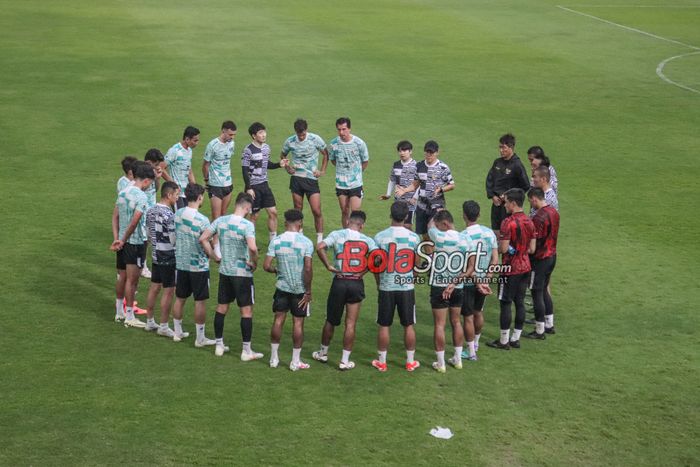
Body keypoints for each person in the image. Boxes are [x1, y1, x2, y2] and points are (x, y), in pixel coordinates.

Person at [200, 192, 264, 360]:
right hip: (242, 274)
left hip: (225, 271)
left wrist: (214, 256)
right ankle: (246, 351)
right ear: (247, 207)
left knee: (222, 308)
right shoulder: (247, 225)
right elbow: (252, 248)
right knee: (246, 311)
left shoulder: (221, 220)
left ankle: (219, 345)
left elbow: (203, 238)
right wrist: (254, 261)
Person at [313, 210, 377, 370]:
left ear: (348, 221)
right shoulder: (367, 240)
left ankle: (323, 353)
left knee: (330, 320)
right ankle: (344, 361)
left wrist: (328, 265)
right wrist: (364, 271)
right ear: (362, 225)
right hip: (356, 282)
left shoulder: (337, 234)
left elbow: (320, 247)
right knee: (350, 324)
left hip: (339, 281)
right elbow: (378, 257)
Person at [371, 202, 422, 372]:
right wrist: (411, 279)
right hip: (406, 287)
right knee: (408, 325)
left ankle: (382, 362)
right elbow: (418, 265)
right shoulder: (414, 238)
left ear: (390, 215)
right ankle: (410, 362)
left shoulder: (379, 237)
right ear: (406, 216)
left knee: (384, 325)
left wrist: (379, 282)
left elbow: (375, 264)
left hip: (387, 286)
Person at [263, 209, 314, 371]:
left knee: (278, 320)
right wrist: (308, 291)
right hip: (299, 290)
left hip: (282, 288)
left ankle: (273, 358)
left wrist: (275, 271)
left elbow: (266, 266)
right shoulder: (306, 242)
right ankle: (295, 361)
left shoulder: (276, 241)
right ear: (300, 224)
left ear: (285, 223)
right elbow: (307, 268)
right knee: (298, 323)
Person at [487, 188, 536, 350]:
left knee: (505, 303)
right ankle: (515, 338)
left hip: (510, 269)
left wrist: (507, 249)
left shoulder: (508, 222)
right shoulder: (529, 221)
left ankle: (503, 341)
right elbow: (532, 249)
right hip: (525, 266)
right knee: (520, 302)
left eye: (506, 202)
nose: (504, 205)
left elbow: (503, 248)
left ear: (513, 203)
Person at [427, 210, 474, 373]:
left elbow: (430, 225)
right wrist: (454, 283)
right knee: (456, 322)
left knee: (440, 325)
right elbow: (470, 268)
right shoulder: (466, 239)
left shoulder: (438, 237)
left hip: (439, 286)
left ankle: (441, 364)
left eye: (440, 226)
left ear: (445, 224)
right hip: (458, 287)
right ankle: (458, 359)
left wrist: (436, 212)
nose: (438, 228)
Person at [110, 162, 155, 328]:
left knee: (121, 276)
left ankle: (119, 312)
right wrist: (125, 239)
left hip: (121, 241)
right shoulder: (142, 197)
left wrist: (118, 238)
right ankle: (129, 315)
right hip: (135, 242)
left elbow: (115, 217)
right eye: (150, 182)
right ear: (145, 180)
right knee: (132, 280)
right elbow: (136, 220)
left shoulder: (123, 192)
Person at [172, 183, 215, 346]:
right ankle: (200, 338)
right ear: (199, 198)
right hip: (198, 266)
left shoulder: (177, 214)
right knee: (200, 301)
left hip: (181, 263)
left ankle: (177, 332)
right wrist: (214, 255)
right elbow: (206, 242)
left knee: (180, 298)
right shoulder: (202, 220)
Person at [458, 201, 498, 361]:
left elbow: (467, 265)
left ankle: (470, 352)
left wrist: (477, 281)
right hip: (483, 281)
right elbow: (495, 260)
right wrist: (486, 280)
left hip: (468, 282)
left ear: (464, 215)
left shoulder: (463, 237)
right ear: (479, 214)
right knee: (478, 312)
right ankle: (475, 343)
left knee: (467, 317)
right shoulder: (489, 233)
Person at [281, 118, 329, 244]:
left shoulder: (315, 139)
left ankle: (319, 239)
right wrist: (287, 167)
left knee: (316, 210)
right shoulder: (290, 141)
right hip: (296, 178)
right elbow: (283, 155)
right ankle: (299, 235)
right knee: (297, 209)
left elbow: (325, 154)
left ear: (306, 130)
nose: (301, 137)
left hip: (311, 179)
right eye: (299, 134)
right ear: (295, 131)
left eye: (303, 134)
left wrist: (322, 171)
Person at [396, 140, 454, 241]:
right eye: (427, 152)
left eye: (431, 152)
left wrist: (441, 189)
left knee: (432, 229)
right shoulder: (419, 166)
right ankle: (430, 256)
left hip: (436, 205)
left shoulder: (443, 167)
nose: (429, 155)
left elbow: (452, 185)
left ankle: (438, 252)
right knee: (424, 234)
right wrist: (405, 190)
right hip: (422, 205)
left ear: (437, 152)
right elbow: (415, 184)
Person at [143, 181, 180, 336]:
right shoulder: (170, 215)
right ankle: (164, 326)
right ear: (169, 195)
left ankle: (150, 321)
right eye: (176, 194)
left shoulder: (151, 211)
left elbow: (148, 232)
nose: (178, 198)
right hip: (168, 256)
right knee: (168, 291)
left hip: (156, 254)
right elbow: (173, 239)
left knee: (154, 287)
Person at [242, 122, 287, 245]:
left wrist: (279, 164)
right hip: (253, 187)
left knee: (273, 212)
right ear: (253, 135)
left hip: (264, 185)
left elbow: (266, 165)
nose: (263, 135)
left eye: (264, 132)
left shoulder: (266, 148)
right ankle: (249, 243)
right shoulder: (248, 150)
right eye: (260, 133)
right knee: (254, 216)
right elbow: (245, 170)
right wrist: (249, 188)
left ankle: (273, 242)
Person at [526, 188, 560, 338]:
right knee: (545, 289)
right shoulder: (554, 212)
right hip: (552, 256)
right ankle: (549, 324)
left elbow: (535, 243)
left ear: (534, 199)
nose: (530, 205)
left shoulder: (539, 218)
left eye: (530, 201)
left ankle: (539, 330)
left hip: (540, 260)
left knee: (536, 292)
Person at [485, 134, 530, 236]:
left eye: (503, 148)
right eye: (500, 147)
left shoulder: (517, 165)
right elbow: (489, 180)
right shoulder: (497, 162)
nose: (501, 150)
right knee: (496, 230)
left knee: (507, 232)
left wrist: (510, 197)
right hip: (496, 204)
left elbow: (525, 185)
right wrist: (492, 196)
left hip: (509, 206)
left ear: (511, 147)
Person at [328, 117, 369, 228]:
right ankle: (345, 236)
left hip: (355, 184)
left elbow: (365, 161)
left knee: (355, 213)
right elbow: (332, 160)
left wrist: (357, 173)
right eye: (339, 129)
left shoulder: (359, 143)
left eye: (344, 129)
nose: (341, 132)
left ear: (349, 128)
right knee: (344, 211)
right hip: (341, 184)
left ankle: (356, 237)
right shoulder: (333, 144)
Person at [378, 140, 418, 229]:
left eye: (404, 150)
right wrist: (388, 194)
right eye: (400, 151)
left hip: (410, 202)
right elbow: (392, 180)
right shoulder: (396, 165)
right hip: (398, 202)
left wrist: (415, 198)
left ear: (410, 151)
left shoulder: (416, 166)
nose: (402, 153)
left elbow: (420, 184)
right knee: (395, 226)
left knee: (407, 226)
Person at [202, 121, 237, 220]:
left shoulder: (232, 144)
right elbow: (205, 165)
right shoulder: (212, 145)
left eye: (234, 135)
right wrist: (206, 180)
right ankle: (213, 236)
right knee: (216, 217)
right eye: (230, 134)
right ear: (223, 131)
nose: (232, 137)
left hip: (228, 184)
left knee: (223, 214)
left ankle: (219, 236)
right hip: (215, 185)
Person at [141, 148, 164, 280]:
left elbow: (156, 189)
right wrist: (153, 176)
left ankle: (144, 265)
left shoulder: (152, 171)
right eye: (155, 164)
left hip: (151, 210)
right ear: (148, 162)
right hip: (143, 211)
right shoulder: (142, 172)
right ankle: (143, 267)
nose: (157, 167)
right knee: (144, 240)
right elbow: (141, 188)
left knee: (150, 239)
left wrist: (157, 178)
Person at [164, 126, 200, 209]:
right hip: (177, 194)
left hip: (186, 192)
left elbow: (189, 169)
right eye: (195, 140)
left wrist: (194, 187)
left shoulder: (189, 151)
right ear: (187, 139)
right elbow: (161, 168)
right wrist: (173, 184)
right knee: (178, 219)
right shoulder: (175, 150)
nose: (197, 143)